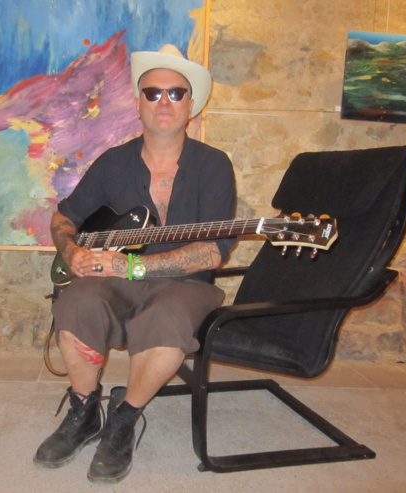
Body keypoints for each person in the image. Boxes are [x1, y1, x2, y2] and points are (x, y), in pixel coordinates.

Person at [34, 44, 237, 483]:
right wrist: (73, 253)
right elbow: (64, 217)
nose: (164, 102)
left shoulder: (214, 166)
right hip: (117, 280)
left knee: (168, 319)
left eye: (176, 93)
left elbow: (214, 251)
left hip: (187, 284)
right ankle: (84, 411)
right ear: (138, 102)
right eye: (153, 92)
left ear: (191, 104)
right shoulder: (112, 163)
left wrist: (133, 269)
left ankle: (124, 417)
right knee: (76, 302)